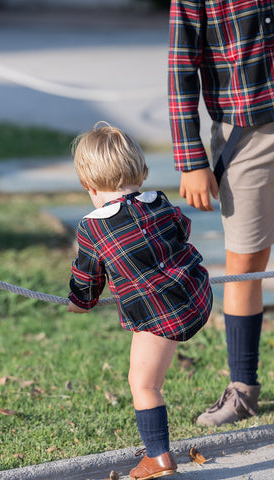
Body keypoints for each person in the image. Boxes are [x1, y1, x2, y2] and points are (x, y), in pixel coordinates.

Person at [67, 122, 213, 480]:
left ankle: (158, 458)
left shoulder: (93, 228)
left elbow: (87, 279)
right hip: (197, 295)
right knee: (149, 372)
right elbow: (181, 230)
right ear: (143, 171)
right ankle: (157, 455)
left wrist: (78, 302)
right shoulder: (160, 202)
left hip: (159, 315)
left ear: (88, 185)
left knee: (143, 385)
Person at [168, 0, 274, 426]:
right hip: (245, 135)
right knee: (245, 257)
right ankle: (243, 388)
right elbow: (181, 67)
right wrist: (190, 156)